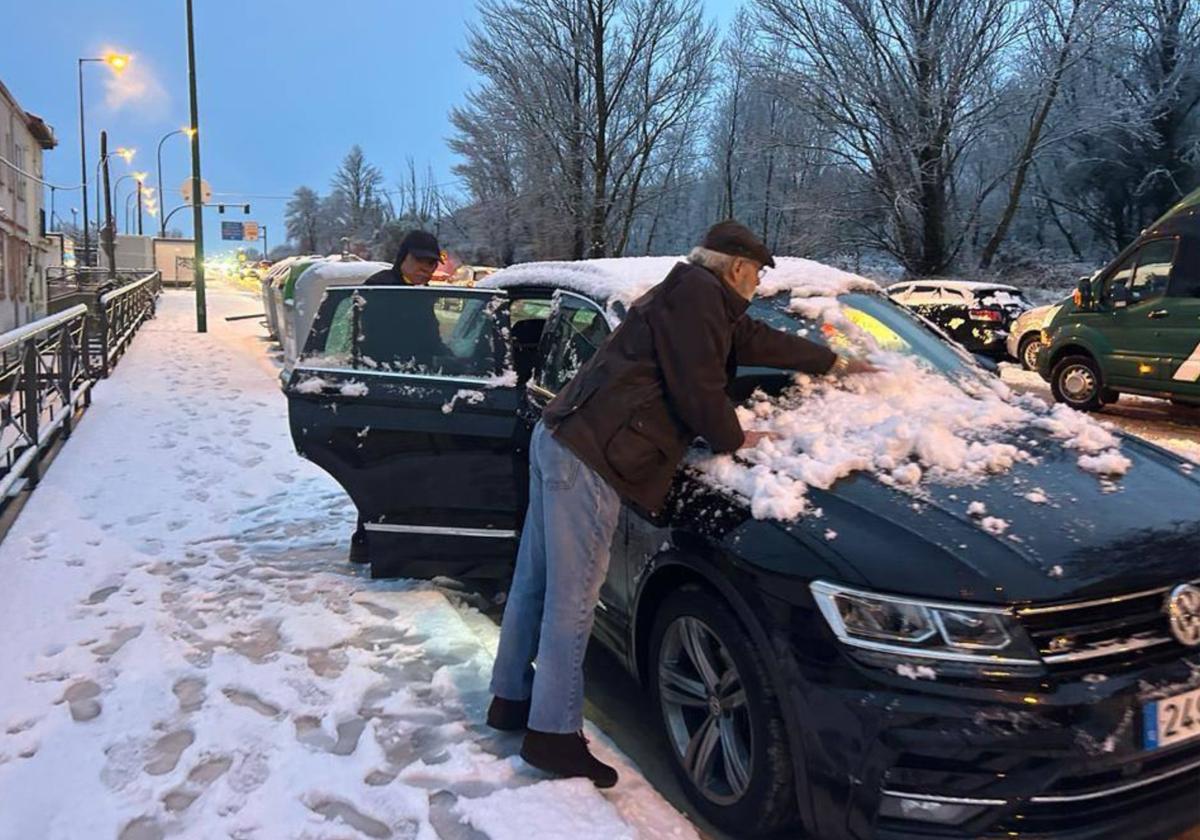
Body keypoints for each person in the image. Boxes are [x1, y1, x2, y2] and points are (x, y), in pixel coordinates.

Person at [486, 221, 879, 788]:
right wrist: (734, 437)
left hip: (562, 437)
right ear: (740, 269)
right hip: (592, 456)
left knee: (535, 581)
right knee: (573, 601)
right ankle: (553, 735)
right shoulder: (697, 298)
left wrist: (831, 362)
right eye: (757, 274)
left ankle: (510, 699)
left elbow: (754, 343)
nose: (757, 284)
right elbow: (698, 386)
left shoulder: (695, 296)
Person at [349, 231, 446, 565]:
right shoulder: (383, 288)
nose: (427, 268)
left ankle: (395, 541)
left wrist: (452, 360)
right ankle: (369, 544)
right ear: (403, 256)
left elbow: (429, 342)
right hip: (385, 394)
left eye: (432, 263)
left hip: (412, 393)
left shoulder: (419, 292)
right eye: (420, 260)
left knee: (406, 472)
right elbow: (374, 343)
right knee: (381, 473)